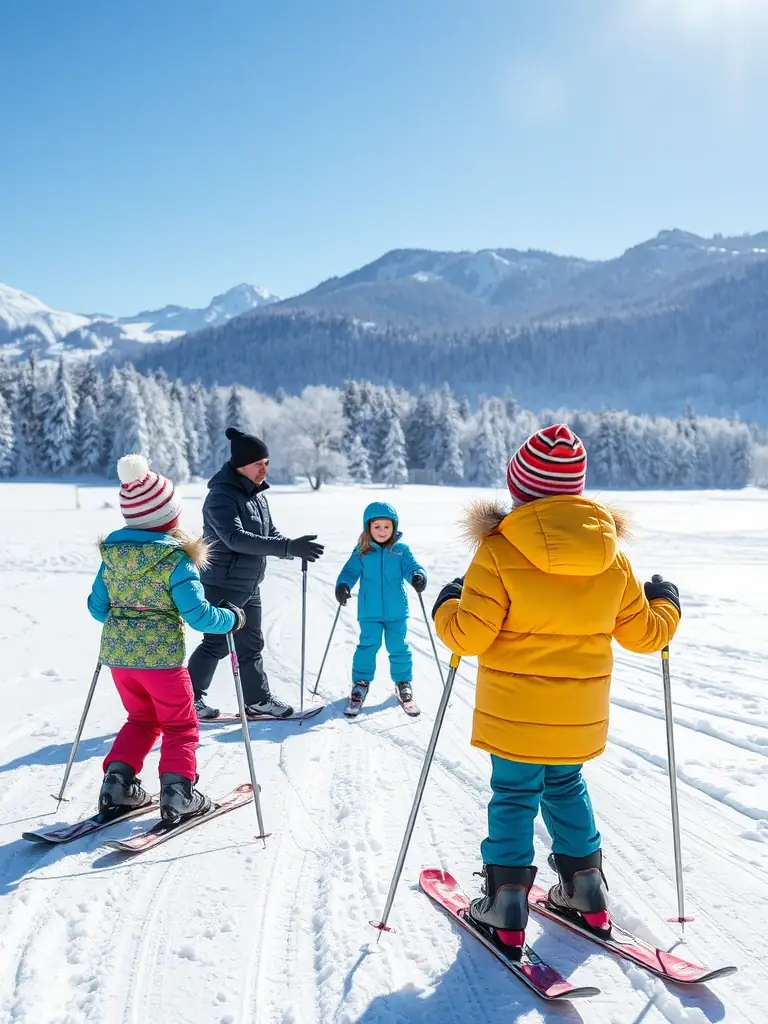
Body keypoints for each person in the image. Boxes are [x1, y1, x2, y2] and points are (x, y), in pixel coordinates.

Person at [431, 423, 681, 957]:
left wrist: (447, 604)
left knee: (515, 794)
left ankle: (506, 903)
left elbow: (467, 635)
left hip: (514, 715)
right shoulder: (611, 557)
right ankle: (586, 890)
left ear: (517, 489)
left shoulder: (499, 551)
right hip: (577, 716)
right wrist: (666, 602)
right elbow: (646, 635)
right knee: (566, 787)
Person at [87, 454, 242, 825]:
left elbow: (97, 608)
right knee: (180, 725)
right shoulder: (175, 560)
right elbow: (198, 615)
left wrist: (126, 617)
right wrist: (231, 618)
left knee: (140, 718)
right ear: (169, 517)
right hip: (162, 663)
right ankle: (179, 794)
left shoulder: (112, 558)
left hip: (120, 660)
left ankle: (117, 787)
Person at [188, 427, 324, 720]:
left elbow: (268, 532)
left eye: (267, 462)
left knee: (251, 644)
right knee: (216, 643)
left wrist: (294, 547)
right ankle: (189, 701)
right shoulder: (220, 496)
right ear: (240, 465)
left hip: (250, 583)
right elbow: (234, 539)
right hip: (223, 582)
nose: (264, 469)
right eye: (258, 464)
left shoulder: (258, 495)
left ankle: (257, 701)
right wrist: (287, 547)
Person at [335, 501, 427, 712]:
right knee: (367, 646)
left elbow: (412, 567)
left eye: (387, 526)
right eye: (377, 527)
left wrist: (418, 576)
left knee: (398, 647)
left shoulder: (401, 551)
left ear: (394, 526)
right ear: (368, 528)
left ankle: (403, 682)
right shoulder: (362, 551)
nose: (382, 531)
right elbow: (349, 572)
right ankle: (360, 683)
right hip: (370, 611)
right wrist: (343, 585)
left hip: (396, 611)